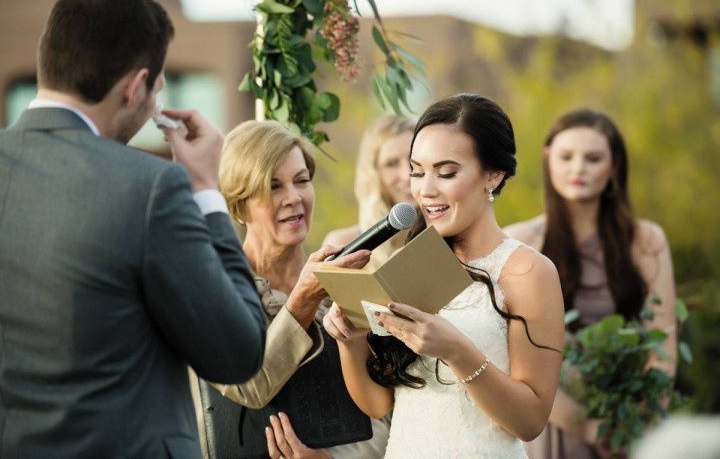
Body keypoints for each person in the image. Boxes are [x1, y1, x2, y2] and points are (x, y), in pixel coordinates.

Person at [0, 0, 265, 457]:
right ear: (135, 86)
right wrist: (206, 188)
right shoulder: (147, 187)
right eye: (157, 88)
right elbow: (237, 352)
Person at [323, 93, 565, 459]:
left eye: (446, 172)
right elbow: (379, 405)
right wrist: (350, 340)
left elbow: (530, 422)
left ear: (493, 174)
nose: (425, 190)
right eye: (417, 171)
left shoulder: (528, 272)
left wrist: (456, 350)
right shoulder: (414, 261)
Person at [189, 120, 389, 459]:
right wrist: (304, 298)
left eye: (302, 181)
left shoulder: (347, 279)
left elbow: (385, 411)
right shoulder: (210, 292)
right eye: (274, 186)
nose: (294, 197)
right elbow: (246, 385)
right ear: (240, 205)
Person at [503, 109, 677, 459]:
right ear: (549, 161)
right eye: (566, 157)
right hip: (549, 418)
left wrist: (638, 421)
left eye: (593, 158)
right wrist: (585, 424)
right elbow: (510, 353)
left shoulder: (646, 241)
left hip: (627, 422)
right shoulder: (520, 242)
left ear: (613, 167)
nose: (578, 168)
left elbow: (664, 335)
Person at [323, 115, 416, 267]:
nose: (407, 175)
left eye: (413, 159)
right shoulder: (343, 244)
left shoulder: (450, 234)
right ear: (373, 174)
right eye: (392, 164)